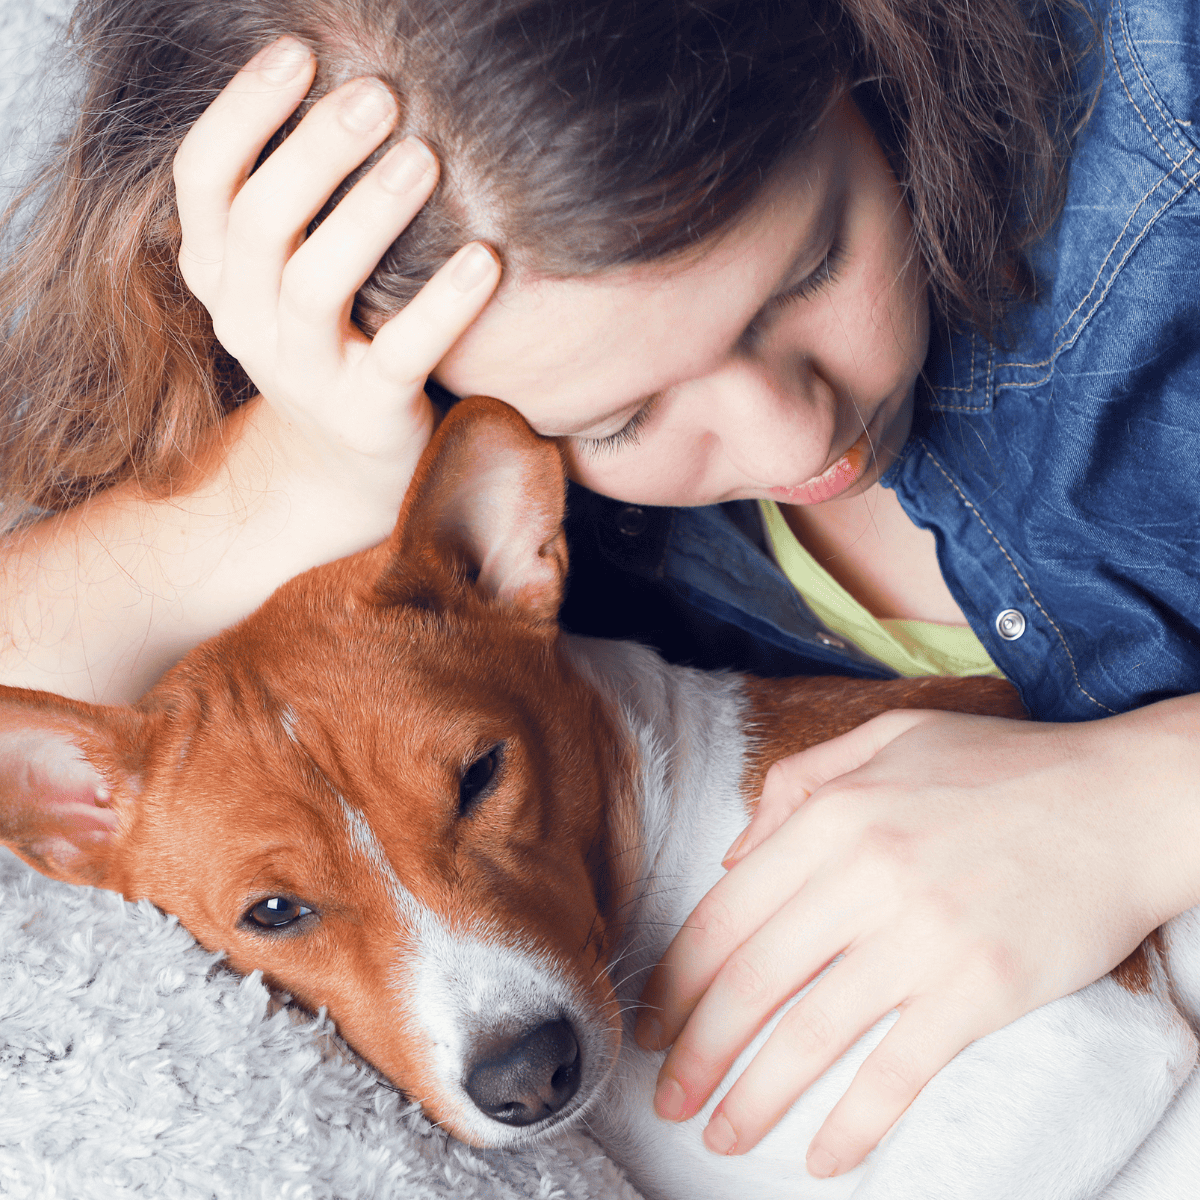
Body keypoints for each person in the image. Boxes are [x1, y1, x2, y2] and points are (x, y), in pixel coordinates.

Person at [2, 0, 1199, 1181]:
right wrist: (296, 476)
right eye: (619, 419)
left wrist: (1140, 798)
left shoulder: (1158, 138)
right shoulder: (553, 581)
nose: (793, 443)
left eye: (809, 266)